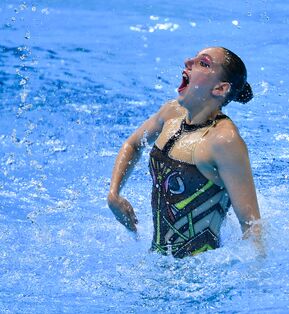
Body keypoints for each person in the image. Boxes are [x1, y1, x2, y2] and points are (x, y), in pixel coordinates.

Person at [107, 47, 263, 258]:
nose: (188, 62)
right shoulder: (171, 114)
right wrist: (114, 195)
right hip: (157, 259)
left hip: (200, 273)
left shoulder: (223, 141)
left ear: (219, 88)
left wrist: (256, 278)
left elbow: (251, 224)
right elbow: (133, 145)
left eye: (203, 63)